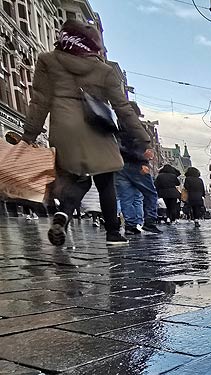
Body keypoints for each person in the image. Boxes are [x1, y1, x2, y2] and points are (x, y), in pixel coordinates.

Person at [22, 20, 151, 246]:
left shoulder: (48, 61)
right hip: (97, 128)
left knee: (76, 180)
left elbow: (39, 101)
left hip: (64, 127)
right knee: (105, 182)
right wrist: (143, 138)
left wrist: (29, 136)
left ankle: (63, 216)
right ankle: (113, 233)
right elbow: (123, 108)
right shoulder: (104, 70)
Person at [115, 133, 163, 235]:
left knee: (126, 198)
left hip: (119, 165)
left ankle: (130, 226)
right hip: (136, 164)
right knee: (151, 193)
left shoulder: (112, 127)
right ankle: (149, 222)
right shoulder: (131, 125)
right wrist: (144, 161)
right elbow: (140, 141)